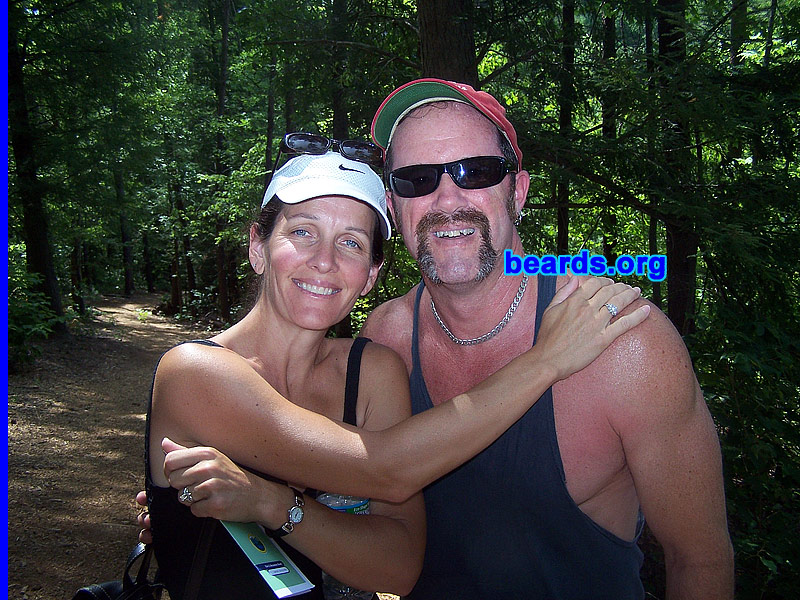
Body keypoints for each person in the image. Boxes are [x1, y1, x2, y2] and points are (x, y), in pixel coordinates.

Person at [144, 138, 649, 600]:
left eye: (351, 243)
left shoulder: (372, 371)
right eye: (302, 232)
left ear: (370, 275)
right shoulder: (194, 372)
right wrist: (547, 360)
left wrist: (271, 504)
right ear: (259, 246)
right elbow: (385, 470)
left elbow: (398, 568)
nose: (324, 260)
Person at [361, 78, 735, 599]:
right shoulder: (384, 340)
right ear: (393, 204)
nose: (447, 199)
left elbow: (701, 562)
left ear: (517, 191)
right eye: (417, 179)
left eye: (476, 172)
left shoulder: (626, 342)